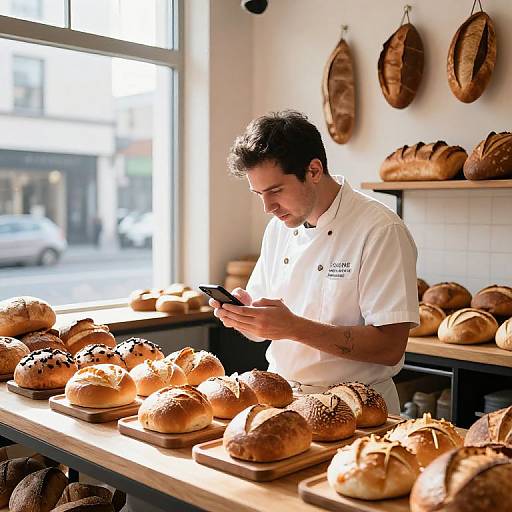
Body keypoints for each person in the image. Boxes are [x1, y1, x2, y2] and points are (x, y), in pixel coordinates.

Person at [210, 110, 419, 414]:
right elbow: (262, 331)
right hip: (284, 400)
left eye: (275, 191)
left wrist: (293, 327)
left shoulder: (381, 230)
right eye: (259, 194)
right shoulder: (279, 228)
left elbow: (390, 347)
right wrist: (244, 316)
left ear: (314, 170)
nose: (267, 207)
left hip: (359, 408)